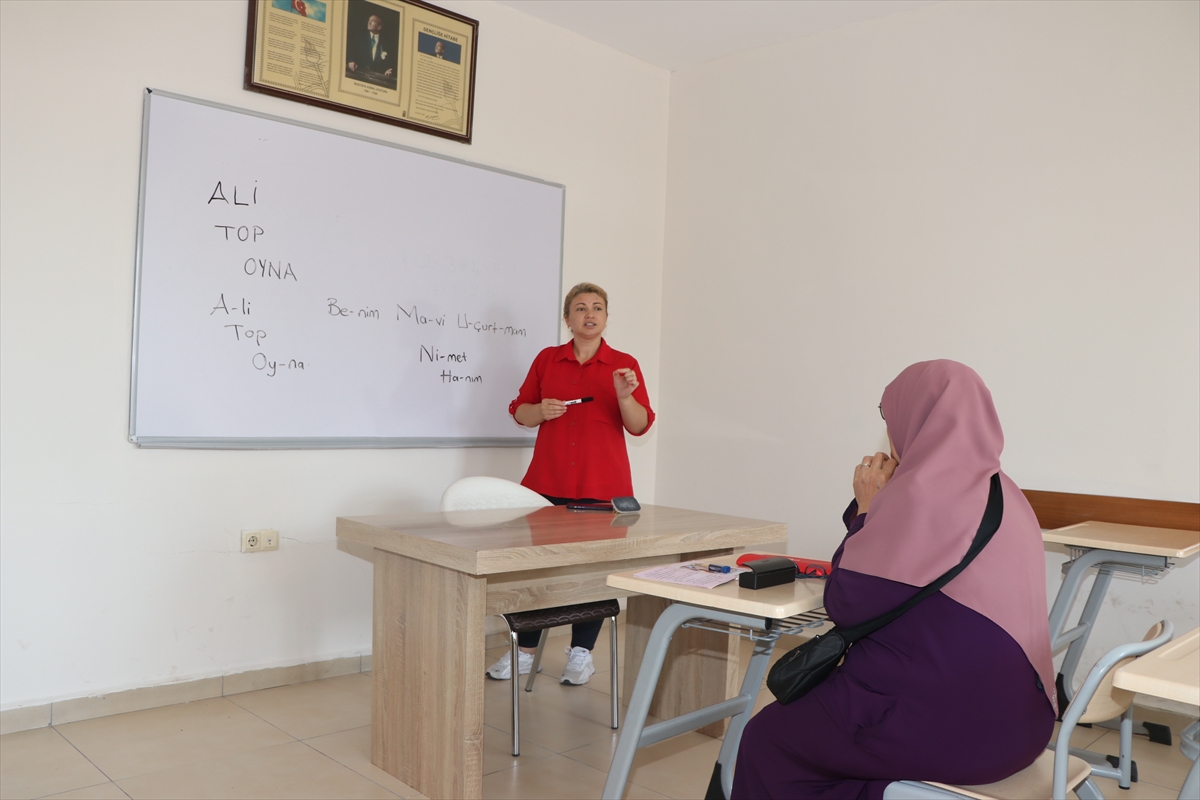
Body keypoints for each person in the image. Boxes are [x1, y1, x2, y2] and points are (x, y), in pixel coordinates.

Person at [732, 360, 1056, 800]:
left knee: (768, 738)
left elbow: (845, 603)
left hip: (951, 728)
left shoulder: (919, 493)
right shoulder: (1008, 492)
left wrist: (867, 506)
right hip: (1024, 726)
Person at [486, 282, 654, 685]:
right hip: (547, 483)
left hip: (603, 487)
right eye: (580, 308)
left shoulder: (623, 365)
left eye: (598, 307)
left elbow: (639, 425)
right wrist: (540, 410)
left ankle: (582, 654)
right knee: (536, 572)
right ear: (568, 319)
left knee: (592, 573)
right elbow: (521, 414)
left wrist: (625, 395)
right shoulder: (548, 360)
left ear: (606, 317)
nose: (589, 314)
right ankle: (525, 654)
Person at [346, 14, 393, 80]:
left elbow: (388, 62)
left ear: (379, 27)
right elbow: (352, 50)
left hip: (376, 78)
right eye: (369, 20)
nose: (369, 22)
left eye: (373, 21)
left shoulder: (385, 43)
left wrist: (388, 70)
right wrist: (351, 60)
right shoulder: (360, 37)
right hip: (358, 74)